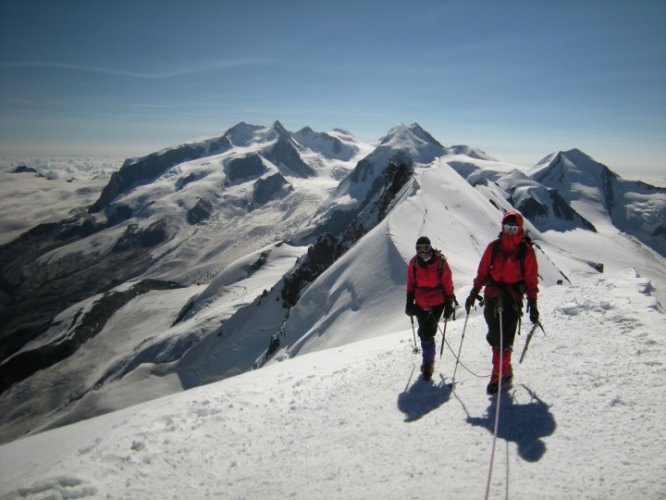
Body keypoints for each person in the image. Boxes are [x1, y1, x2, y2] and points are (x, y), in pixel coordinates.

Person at [465, 210, 539, 394]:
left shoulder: (526, 252)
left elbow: (531, 279)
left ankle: (498, 374)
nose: (510, 231)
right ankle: (504, 367)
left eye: (514, 228)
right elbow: (482, 272)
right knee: (495, 336)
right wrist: (474, 291)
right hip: (492, 297)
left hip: (512, 300)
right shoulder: (494, 247)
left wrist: (533, 302)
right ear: (502, 227)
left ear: (520, 229)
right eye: (507, 227)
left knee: (503, 339)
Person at [405, 236, 456, 381]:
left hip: (437, 303)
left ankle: (428, 363)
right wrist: (409, 301)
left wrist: (448, 302)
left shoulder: (441, 263)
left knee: (427, 333)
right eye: (419, 248)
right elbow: (410, 284)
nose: (422, 252)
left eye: (425, 248)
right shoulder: (414, 264)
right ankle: (428, 362)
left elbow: (447, 284)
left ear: (430, 248)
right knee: (424, 333)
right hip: (420, 303)